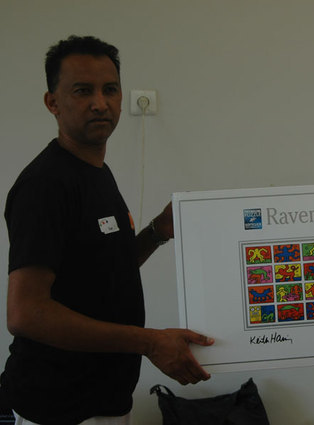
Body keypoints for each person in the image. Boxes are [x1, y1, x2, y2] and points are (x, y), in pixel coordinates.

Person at [0, 35, 214, 424]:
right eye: (83, 91)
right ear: (52, 102)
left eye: (110, 89)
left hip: (106, 398)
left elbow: (104, 268)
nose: (100, 103)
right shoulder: (45, 185)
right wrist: (150, 342)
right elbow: (25, 313)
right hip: (58, 407)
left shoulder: (96, 172)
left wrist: (158, 231)